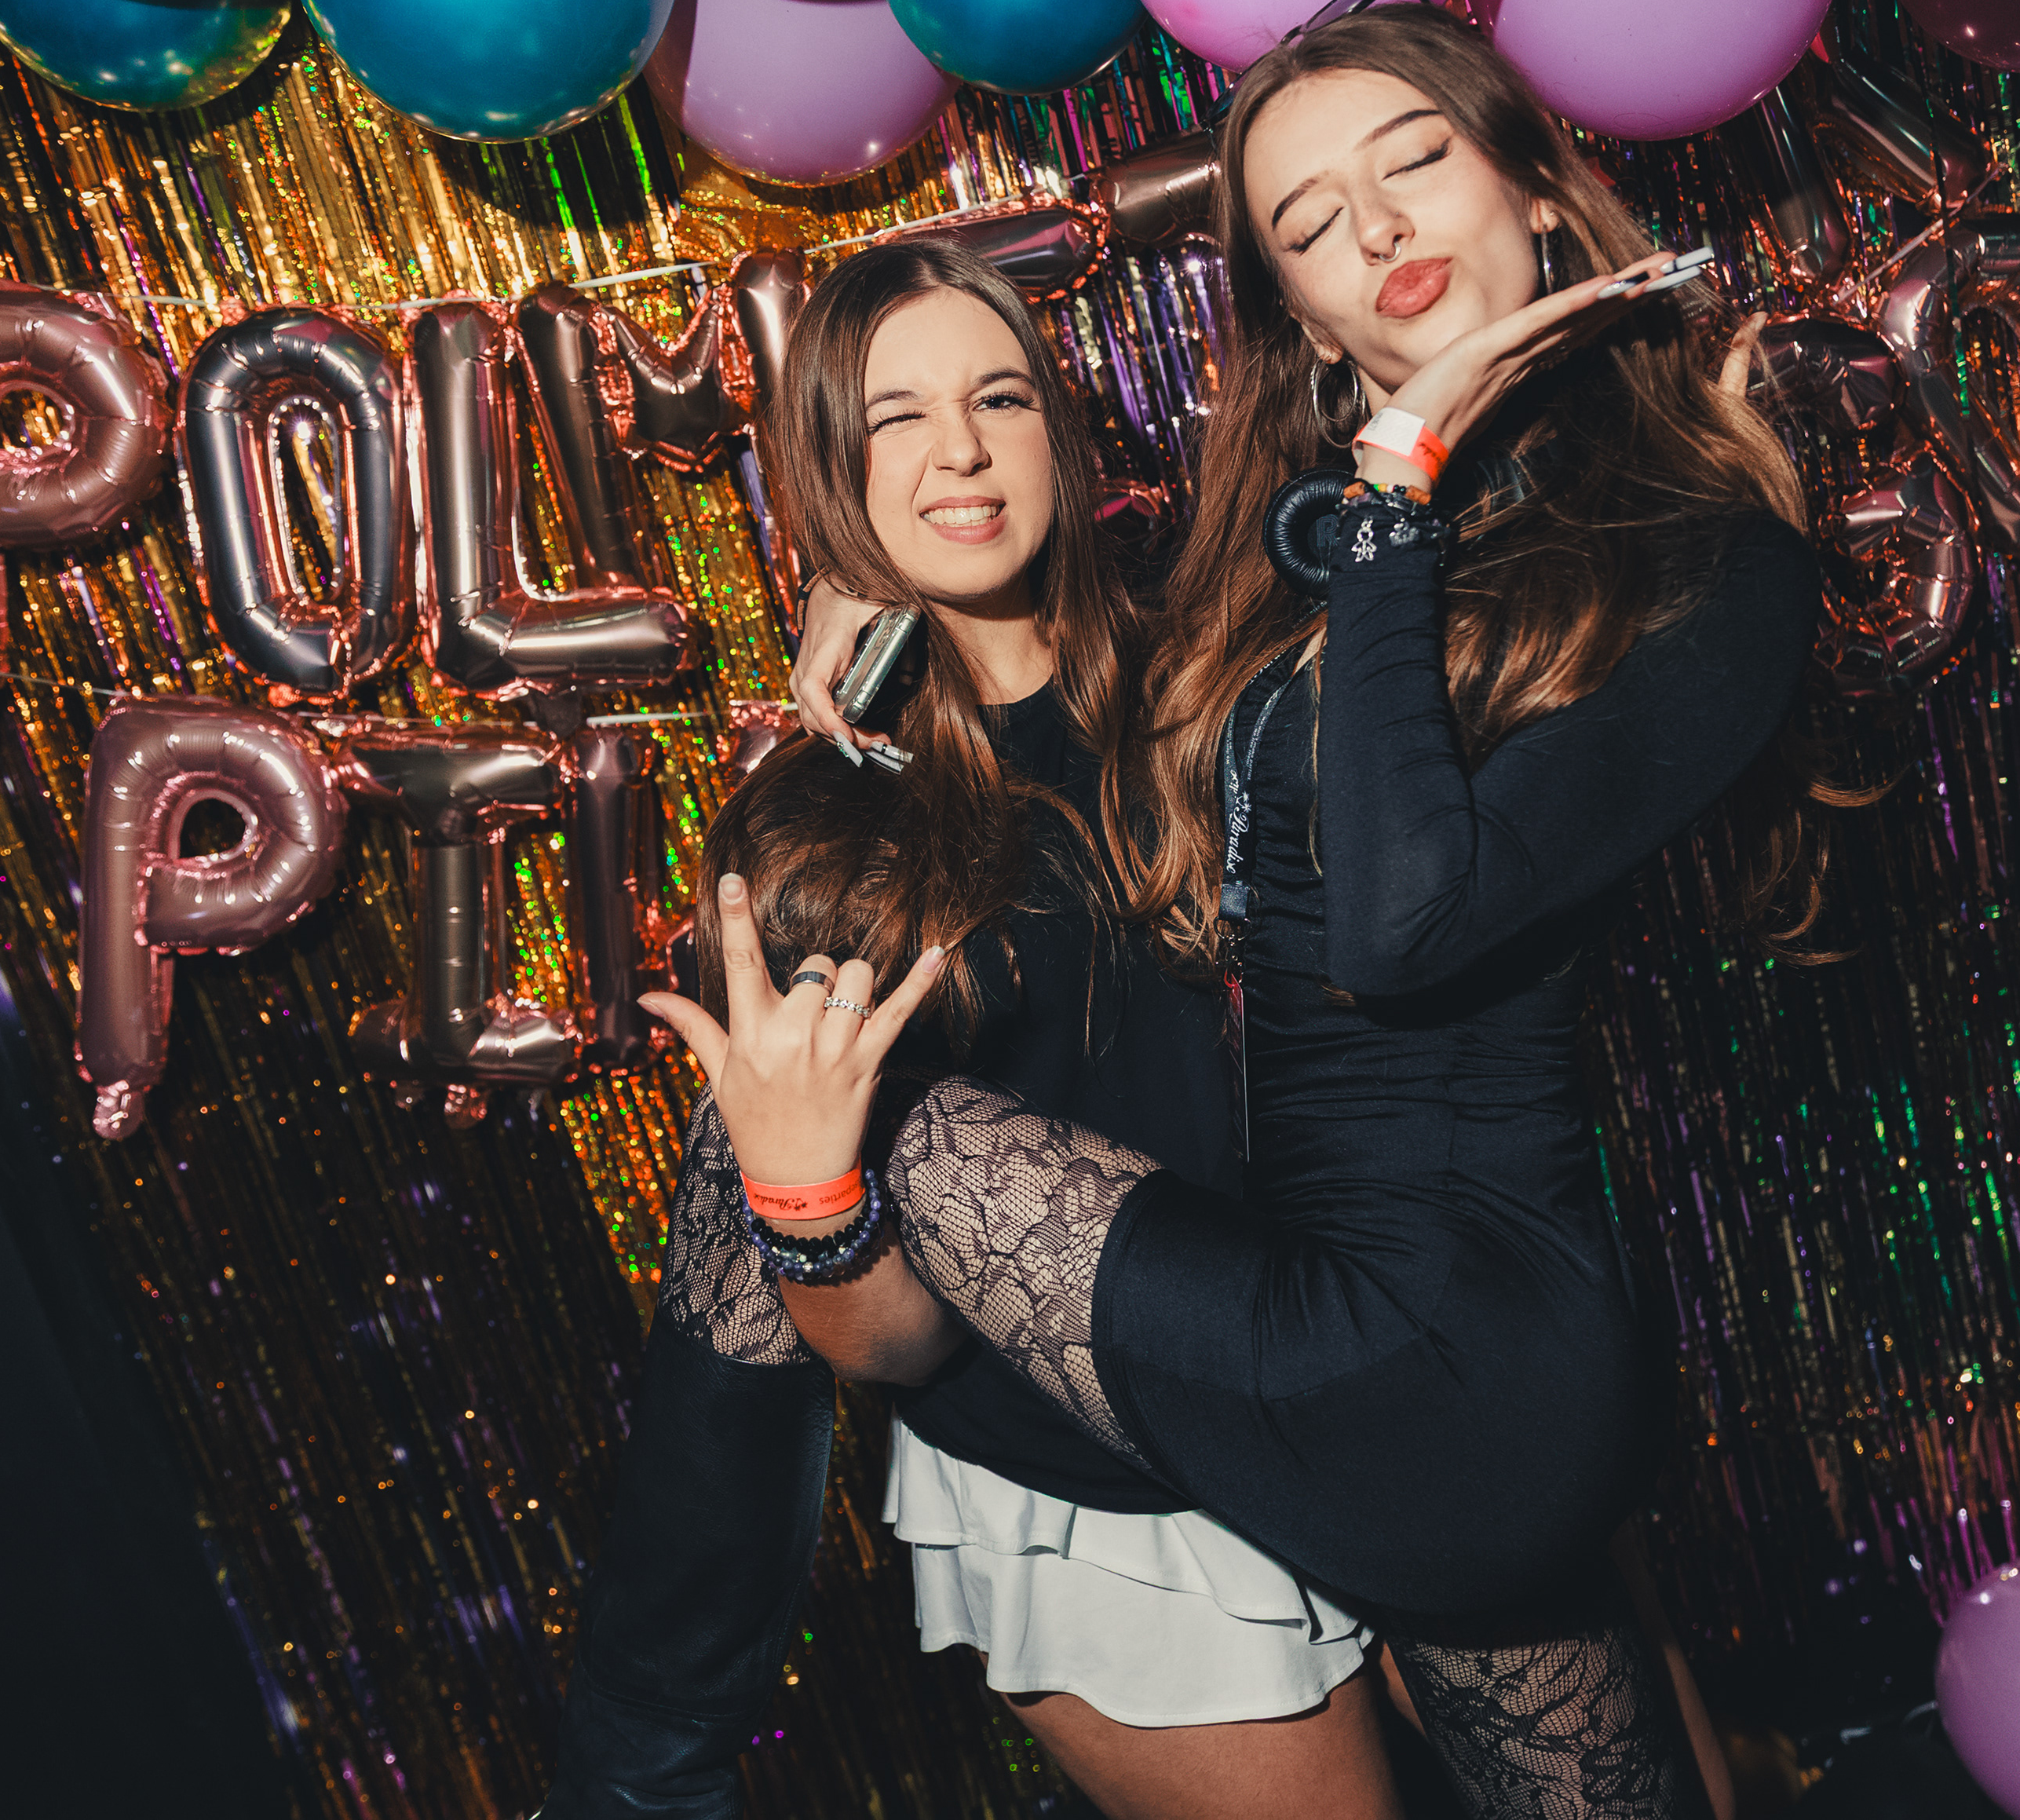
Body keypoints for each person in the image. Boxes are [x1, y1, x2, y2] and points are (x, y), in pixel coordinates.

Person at [663, 0, 1833, 1820]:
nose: (1378, 225)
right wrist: (878, 586)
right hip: (1281, 1304)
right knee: (787, 1114)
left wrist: (1397, 480)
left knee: (855, 1133)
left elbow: (1400, 922)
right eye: (1306, 220)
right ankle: (646, 1743)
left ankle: (640, 1758)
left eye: (1415, 156)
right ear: (1301, 313)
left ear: (1536, 181)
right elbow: (1123, 679)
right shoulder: (1298, 545)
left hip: (1447, 1342)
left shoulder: (1700, 554)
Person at [546, 238, 1408, 1820]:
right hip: (1118, 1502)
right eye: (895, 419)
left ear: (1058, 433)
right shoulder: (816, 832)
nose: (958, 449)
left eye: (998, 397)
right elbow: (898, 1345)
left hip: (1373, 1355)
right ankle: (638, 1766)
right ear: (828, 470)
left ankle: (634, 1765)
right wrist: (804, 1195)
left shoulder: (1216, 663)